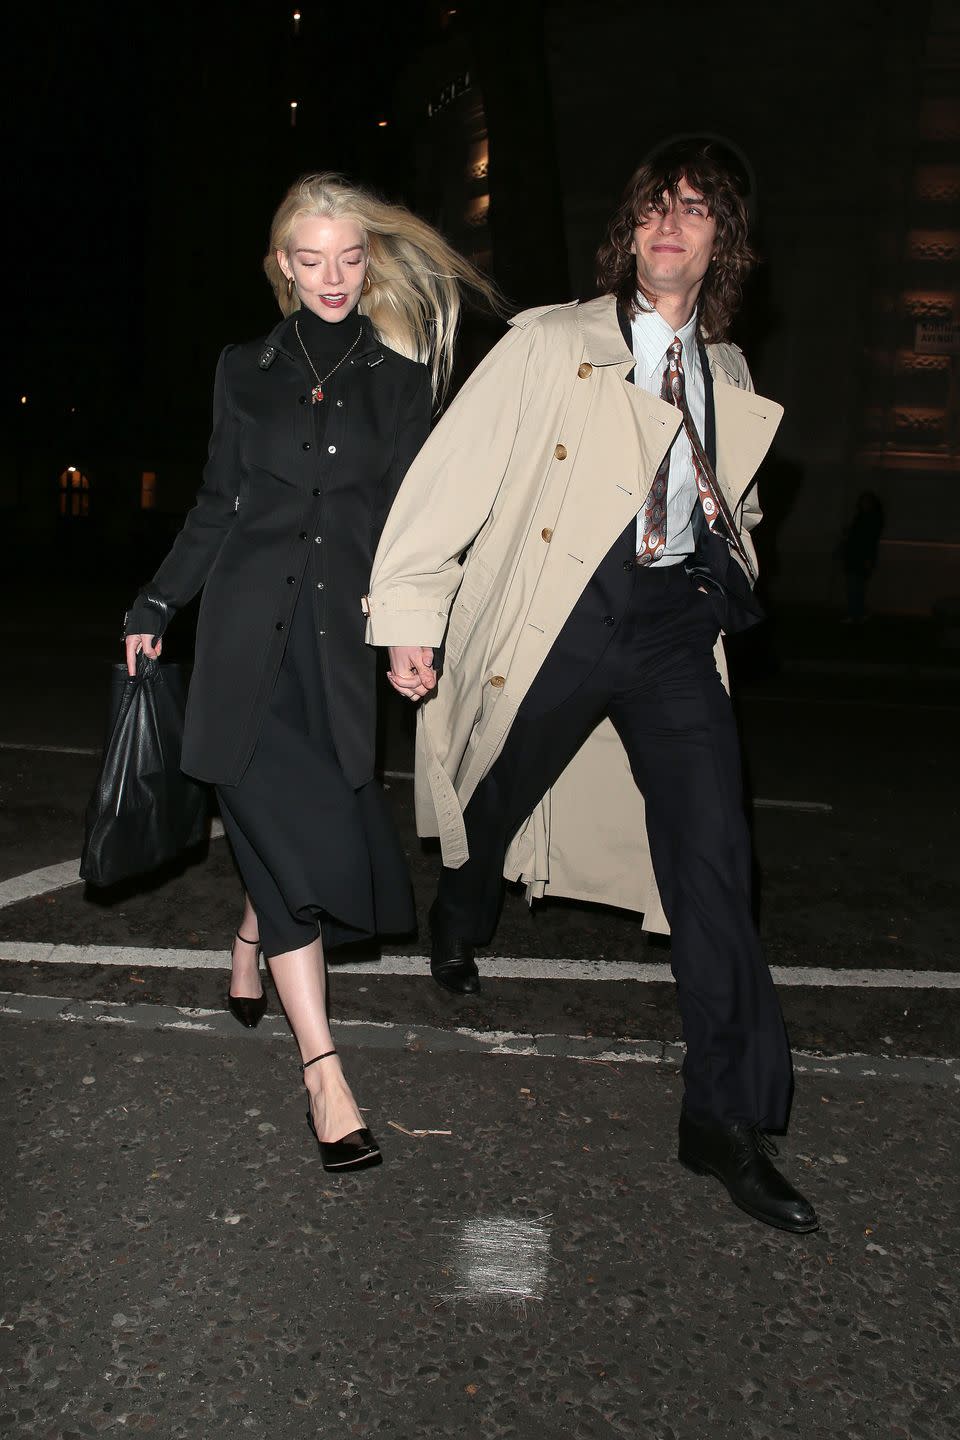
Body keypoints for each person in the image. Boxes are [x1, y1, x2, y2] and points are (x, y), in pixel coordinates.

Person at [364, 139, 818, 1231]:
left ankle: (723, 1118)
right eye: (656, 207)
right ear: (631, 229)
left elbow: (735, 500)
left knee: (716, 863)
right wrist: (409, 613)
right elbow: (452, 471)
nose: (672, 226)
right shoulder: (554, 342)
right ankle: (463, 907)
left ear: (725, 241)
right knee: (497, 791)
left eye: (698, 211)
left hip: (672, 630)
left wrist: (729, 547)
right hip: (564, 612)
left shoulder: (731, 370)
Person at [124, 173, 498, 1172]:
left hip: (335, 655)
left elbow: (411, 531)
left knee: (313, 846)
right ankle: (324, 1078)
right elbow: (216, 505)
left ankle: (250, 936)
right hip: (244, 647)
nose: (333, 276)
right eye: (311, 258)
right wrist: (157, 604)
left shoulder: (403, 381)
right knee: (293, 858)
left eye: (348, 256)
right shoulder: (240, 370)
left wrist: (415, 631)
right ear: (281, 267)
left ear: (366, 259)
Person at [840, 490, 884, 622]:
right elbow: (858, 536)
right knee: (855, 586)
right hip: (854, 555)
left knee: (856, 587)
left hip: (861, 556)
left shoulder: (872, 518)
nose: (864, 504)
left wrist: (869, 559)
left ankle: (855, 613)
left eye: (867, 501)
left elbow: (870, 540)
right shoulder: (861, 517)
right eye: (863, 501)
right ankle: (857, 612)